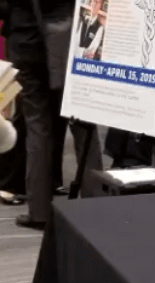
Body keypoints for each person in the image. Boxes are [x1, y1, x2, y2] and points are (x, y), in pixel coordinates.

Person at [8, 0, 102, 229]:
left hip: (26, 41)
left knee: (38, 128)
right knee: (83, 125)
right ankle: (97, 204)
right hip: (70, 41)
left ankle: (39, 211)